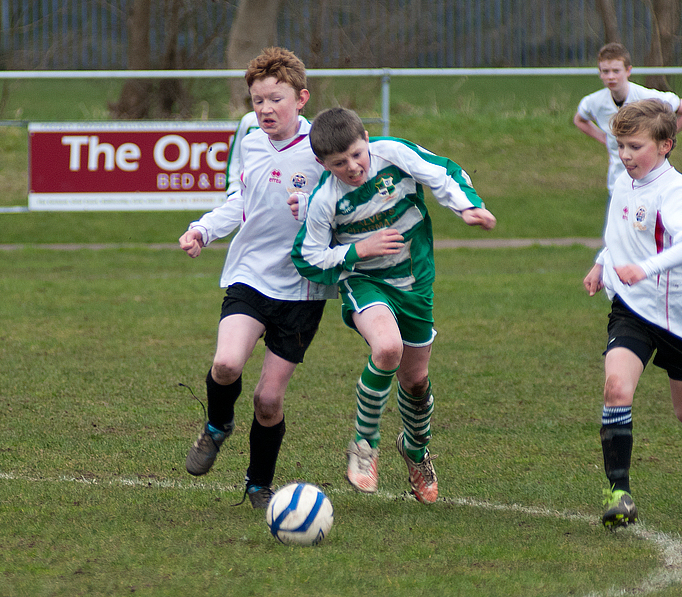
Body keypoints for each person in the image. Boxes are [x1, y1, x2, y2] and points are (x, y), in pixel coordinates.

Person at [290, 107, 496, 504]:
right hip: (366, 283)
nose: (352, 167)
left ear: (366, 138)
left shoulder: (393, 153)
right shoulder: (324, 200)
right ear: (322, 163)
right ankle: (364, 447)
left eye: (356, 154)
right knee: (387, 348)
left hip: (416, 282)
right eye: (339, 163)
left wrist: (467, 206)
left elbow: (443, 172)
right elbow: (308, 258)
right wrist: (356, 251)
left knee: (415, 381)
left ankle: (416, 451)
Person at [179, 47, 336, 509]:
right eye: (257, 101)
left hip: (303, 287)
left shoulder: (322, 146)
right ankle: (217, 426)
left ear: (302, 98)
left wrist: (311, 212)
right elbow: (238, 199)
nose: (265, 109)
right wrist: (203, 229)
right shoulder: (247, 136)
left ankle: (257, 484)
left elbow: (345, 208)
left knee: (269, 400)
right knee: (226, 364)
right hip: (249, 273)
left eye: (276, 99)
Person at [582, 99, 682, 529]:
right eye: (620, 146)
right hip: (631, 309)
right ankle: (618, 493)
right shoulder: (627, 181)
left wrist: (643, 269)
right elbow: (625, 232)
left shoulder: (676, 191)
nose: (625, 155)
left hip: (679, 316)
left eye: (634, 146)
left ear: (666, 145)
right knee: (615, 387)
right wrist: (603, 262)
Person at [574, 42, 682, 194]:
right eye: (605, 71)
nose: (611, 77)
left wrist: (659, 138)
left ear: (628, 71)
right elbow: (579, 120)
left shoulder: (646, 97)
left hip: (650, 184)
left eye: (616, 71)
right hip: (617, 186)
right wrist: (604, 138)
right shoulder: (594, 102)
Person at [225, 111, 259, 197]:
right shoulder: (249, 120)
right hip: (247, 191)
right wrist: (233, 186)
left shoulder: (296, 122)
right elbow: (236, 156)